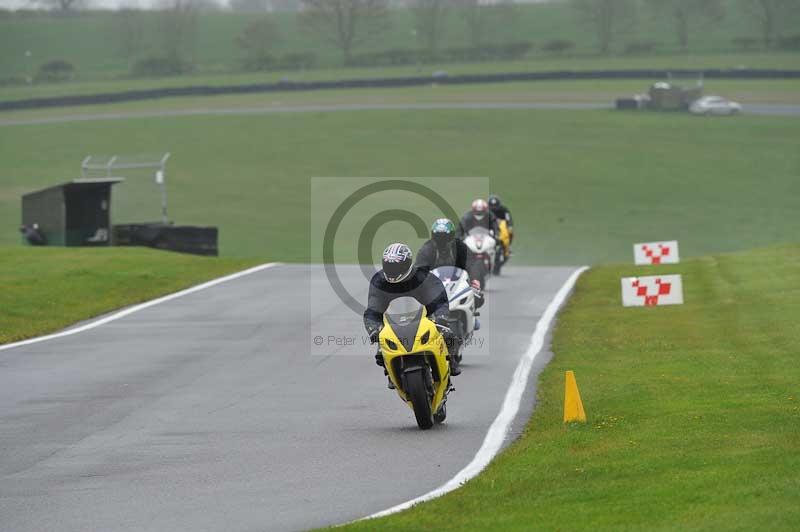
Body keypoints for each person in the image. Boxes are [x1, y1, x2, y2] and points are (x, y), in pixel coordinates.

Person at [364, 242, 461, 380]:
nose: (393, 270)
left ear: (407, 264)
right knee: (380, 352)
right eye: (389, 266)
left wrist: (440, 317)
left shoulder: (424, 277)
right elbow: (373, 309)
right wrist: (373, 329)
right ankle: (391, 373)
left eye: (397, 266)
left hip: (424, 319)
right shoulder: (379, 281)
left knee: (448, 334)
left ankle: (451, 362)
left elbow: (439, 300)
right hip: (393, 324)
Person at [416, 218, 484, 299]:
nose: (442, 240)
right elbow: (420, 267)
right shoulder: (427, 249)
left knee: (478, 298)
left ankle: (471, 311)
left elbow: (471, 263)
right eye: (438, 237)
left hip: (459, 285)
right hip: (434, 287)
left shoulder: (459, 247)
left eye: (445, 237)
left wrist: (475, 279)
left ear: (452, 236)